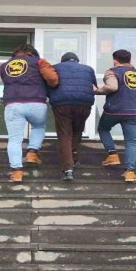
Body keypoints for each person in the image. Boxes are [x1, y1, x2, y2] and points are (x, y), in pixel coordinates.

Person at [0, 44, 59, 182]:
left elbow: (6, 82)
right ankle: (32, 153)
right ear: (32, 53)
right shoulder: (39, 62)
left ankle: (17, 172)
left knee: (14, 139)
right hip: (36, 102)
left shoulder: (4, 66)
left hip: (13, 104)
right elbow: (53, 79)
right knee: (38, 126)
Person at [95, 49, 136, 183]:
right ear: (130, 60)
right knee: (131, 141)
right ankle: (129, 172)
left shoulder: (112, 72)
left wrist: (97, 90)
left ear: (115, 60)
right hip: (134, 112)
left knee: (103, 129)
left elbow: (112, 87)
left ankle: (112, 154)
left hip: (114, 110)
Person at [48, 52, 97, 181]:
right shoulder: (88, 69)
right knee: (77, 132)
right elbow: (94, 87)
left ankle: (68, 169)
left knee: (65, 134)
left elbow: (49, 84)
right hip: (84, 104)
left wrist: (51, 96)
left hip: (62, 103)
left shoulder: (55, 68)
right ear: (77, 60)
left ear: (62, 61)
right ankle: (74, 159)